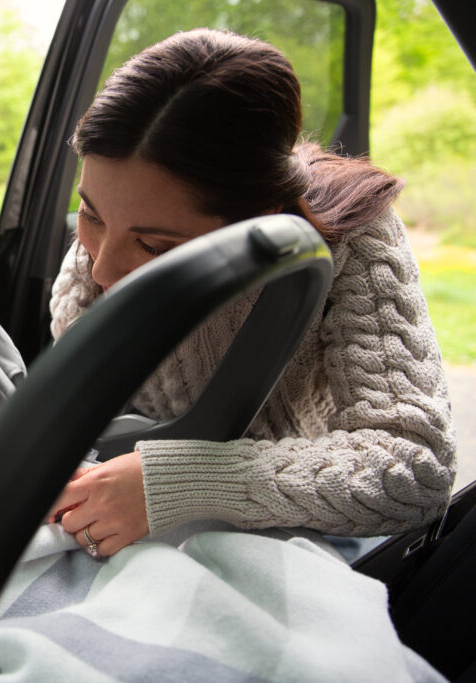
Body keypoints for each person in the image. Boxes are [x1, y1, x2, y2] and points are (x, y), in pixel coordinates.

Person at [36, 28, 458, 558]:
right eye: (91, 215)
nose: (101, 268)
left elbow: (416, 468)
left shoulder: (354, 238)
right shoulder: (99, 252)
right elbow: (79, 411)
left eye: (152, 244)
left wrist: (182, 482)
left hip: (311, 528)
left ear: (259, 218)